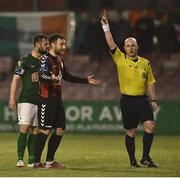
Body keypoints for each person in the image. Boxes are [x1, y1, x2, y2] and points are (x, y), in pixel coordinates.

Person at [33, 33, 101, 169]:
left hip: (57, 99)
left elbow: (66, 76)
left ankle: (50, 161)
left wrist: (85, 80)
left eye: (64, 44)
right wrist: (51, 78)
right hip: (46, 99)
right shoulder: (45, 59)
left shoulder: (59, 60)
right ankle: (36, 162)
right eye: (61, 44)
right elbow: (41, 75)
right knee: (45, 131)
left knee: (59, 129)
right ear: (52, 45)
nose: (64, 46)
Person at [101, 11, 158, 168]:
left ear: (137, 46)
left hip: (143, 100)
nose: (131, 48)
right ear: (124, 48)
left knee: (150, 126)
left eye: (133, 45)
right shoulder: (119, 58)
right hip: (127, 100)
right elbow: (110, 42)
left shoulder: (145, 63)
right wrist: (105, 26)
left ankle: (145, 157)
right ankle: (133, 160)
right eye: (128, 45)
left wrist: (153, 99)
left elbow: (150, 82)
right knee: (131, 132)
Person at [8, 34, 49, 168]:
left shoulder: (44, 61)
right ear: (38, 45)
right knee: (24, 128)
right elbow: (15, 79)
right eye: (45, 44)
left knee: (36, 130)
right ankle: (20, 159)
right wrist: (12, 98)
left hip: (40, 100)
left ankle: (31, 161)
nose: (47, 46)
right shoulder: (25, 60)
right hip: (26, 99)